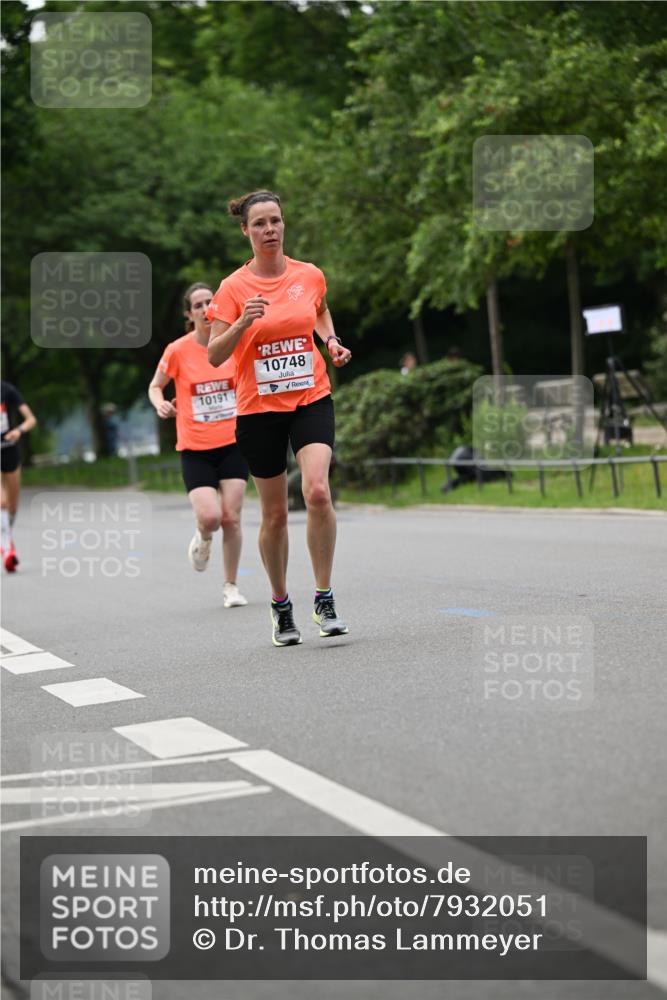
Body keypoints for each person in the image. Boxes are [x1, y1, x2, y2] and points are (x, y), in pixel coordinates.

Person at [207, 189, 352, 647]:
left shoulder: (309, 275)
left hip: (311, 395)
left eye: (276, 221)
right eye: (260, 224)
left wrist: (329, 342)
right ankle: (280, 603)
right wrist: (240, 324)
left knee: (317, 491)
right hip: (258, 409)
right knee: (273, 515)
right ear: (246, 231)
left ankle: (324, 597)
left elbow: (321, 310)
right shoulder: (233, 289)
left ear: (284, 225)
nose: (270, 230)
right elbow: (214, 355)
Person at [148, 283, 249, 608]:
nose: (206, 309)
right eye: (198, 305)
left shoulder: (231, 345)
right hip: (196, 448)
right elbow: (155, 386)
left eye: (210, 302)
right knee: (211, 517)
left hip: (234, 443)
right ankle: (203, 537)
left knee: (231, 517)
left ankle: (230, 586)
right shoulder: (177, 350)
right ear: (189, 314)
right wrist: (161, 403)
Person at [1, 380, 37, 572]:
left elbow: (31, 419)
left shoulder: (7, 390)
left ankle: (6, 537)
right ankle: (7, 550)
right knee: (2, 502)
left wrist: (18, 431)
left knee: (13, 506)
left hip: (9, 450)